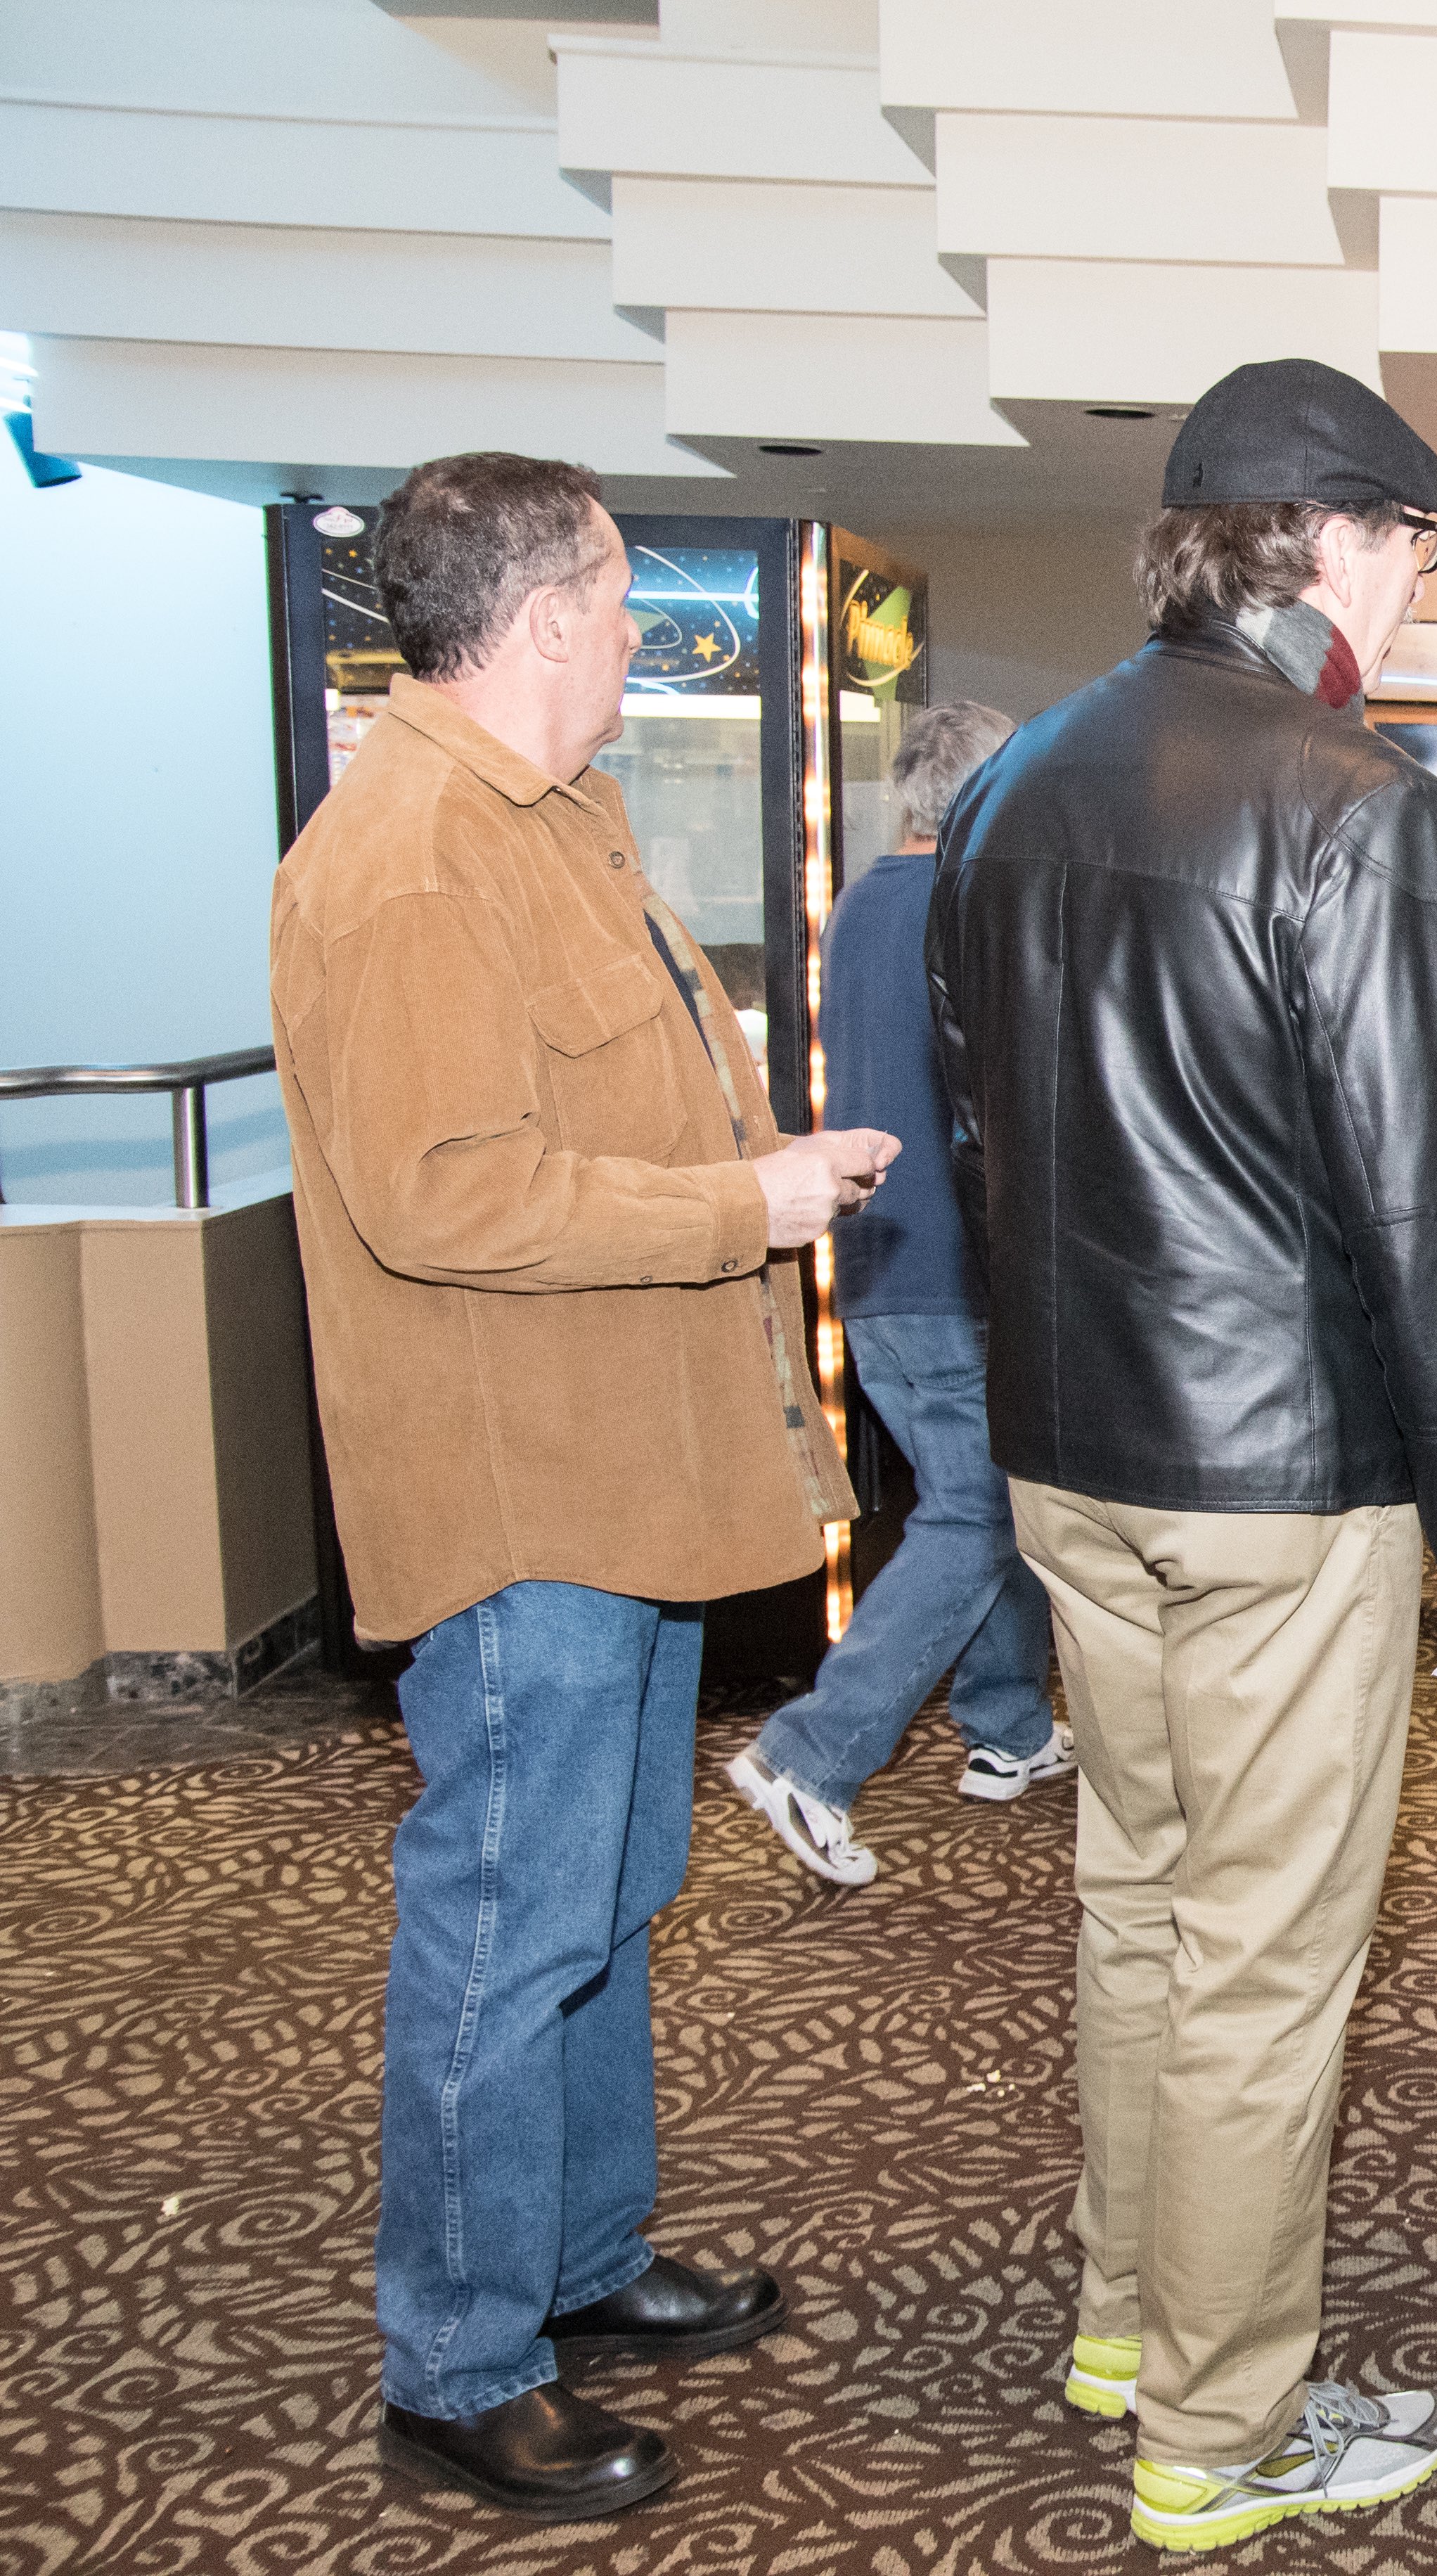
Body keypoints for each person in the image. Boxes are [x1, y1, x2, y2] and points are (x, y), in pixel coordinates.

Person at [929, 358, 1437, 2552]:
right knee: (1262, 1965)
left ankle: (1129, 2321)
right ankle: (1218, 2434)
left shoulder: (1013, 779)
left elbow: (981, 1134)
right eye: (1410, 547)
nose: (1411, 589)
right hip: (1279, 1482)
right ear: (1327, 543)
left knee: (1139, 1902)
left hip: (1068, 1453)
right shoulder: (1352, 800)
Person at [271, 450, 898, 2520]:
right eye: (623, 597)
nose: (641, 630)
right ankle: (458, 2360)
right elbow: (443, 1194)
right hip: (519, 1496)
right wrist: (743, 1202)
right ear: (543, 618)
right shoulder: (410, 855)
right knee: (503, 1927)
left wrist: (750, 1174)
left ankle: (576, 2259)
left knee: (604, 1905)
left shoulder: (552, 817)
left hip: (623, 1475)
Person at [727, 701, 1068, 1885]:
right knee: (979, 1511)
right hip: (957, 1264)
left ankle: (1006, 1726)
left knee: (987, 1496)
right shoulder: (972, 908)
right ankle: (811, 1756)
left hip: (875, 1265)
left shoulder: (860, 904)